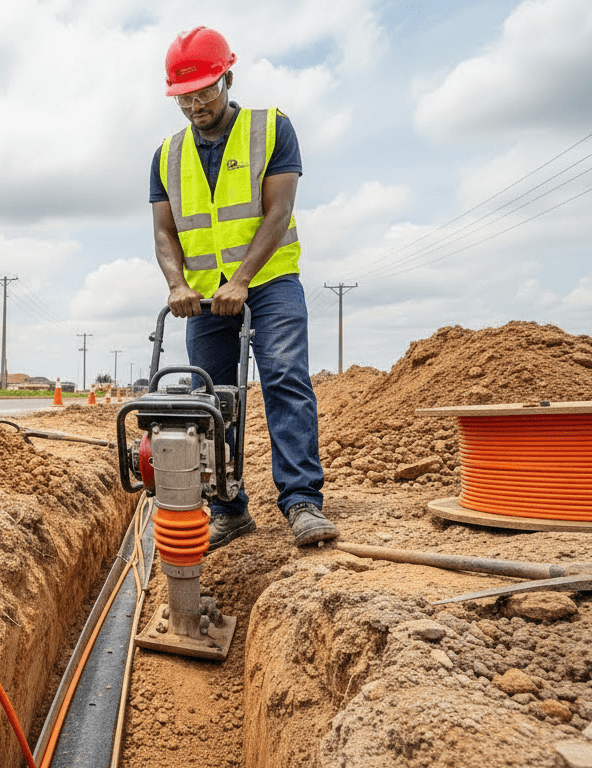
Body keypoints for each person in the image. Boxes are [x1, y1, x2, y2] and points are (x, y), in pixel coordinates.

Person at [149, 27, 338, 550]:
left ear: (227, 78)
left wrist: (241, 280)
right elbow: (164, 233)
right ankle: (229, 509)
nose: (194, 103)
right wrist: (176, 284)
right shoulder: (166, 155)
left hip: (269, 282)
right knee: (210, 401)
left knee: (284, 379)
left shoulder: (271, 128)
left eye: (204, 90)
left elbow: (278, 213)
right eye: (183, 95)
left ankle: (301, 500)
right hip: (207, 298)